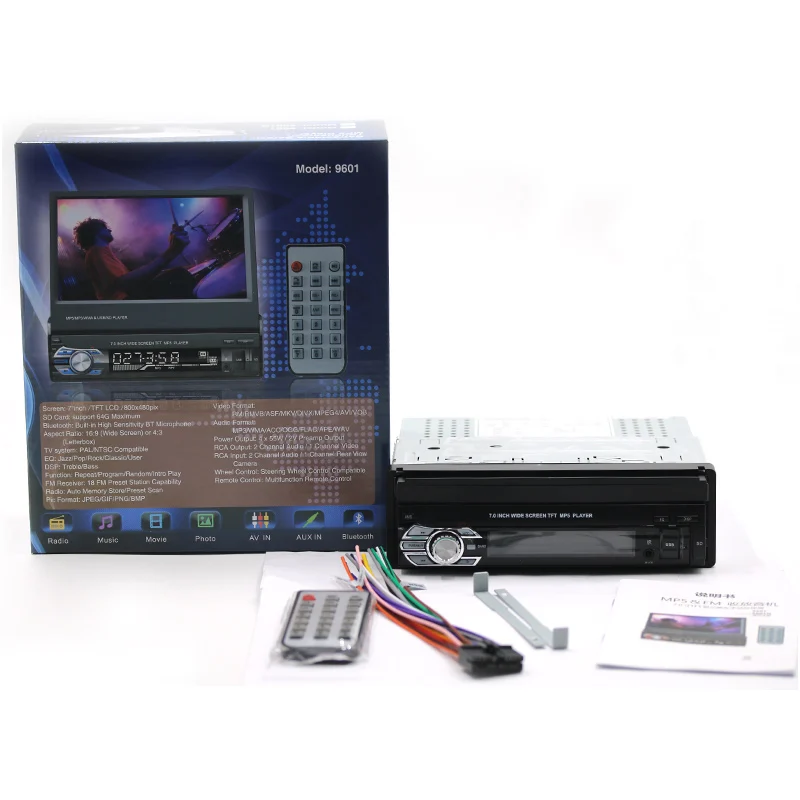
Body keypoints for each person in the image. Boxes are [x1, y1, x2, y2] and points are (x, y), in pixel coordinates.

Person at [72, 218, 190, 300]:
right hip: (124, 300)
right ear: (95, 231)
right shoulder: (96, 251)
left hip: (126, 298)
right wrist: (171, 252)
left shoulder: (101, 252)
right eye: (105, 228)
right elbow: (123, 283)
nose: (109, 230)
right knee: (179, 276)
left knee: (177, 274)